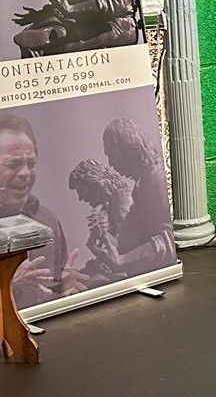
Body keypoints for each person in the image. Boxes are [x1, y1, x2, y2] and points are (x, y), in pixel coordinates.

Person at [0, 114, 88, 308]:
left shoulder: (47, 221)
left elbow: (52, 293)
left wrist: (63, 289)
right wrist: (12, 287)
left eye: (30, 164)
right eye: (13, 164)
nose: (25, 173)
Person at [84, 117, 175, 278]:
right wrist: (105, 240)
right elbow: (130, 240)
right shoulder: (141, 186)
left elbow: (168, 239)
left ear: (129, 148)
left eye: (113, 155)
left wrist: (122, 260)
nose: (111, 164)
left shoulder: (156, 180)